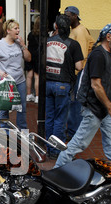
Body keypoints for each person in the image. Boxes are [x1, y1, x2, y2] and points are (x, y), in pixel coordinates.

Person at [54, 23, 111, 186]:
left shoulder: (107, 53)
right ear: (109, 37)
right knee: (78, 143)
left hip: (104, 110)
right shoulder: (98, 55)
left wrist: (108, 108)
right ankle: (56, 172)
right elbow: (96, 85)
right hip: (95, 110)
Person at [45, 15, 83, 159]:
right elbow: (79, 66)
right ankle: (55, 150)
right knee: (60, 119)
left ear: (56, 26)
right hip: (63, 85)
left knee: (49, 117)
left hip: (47, 83)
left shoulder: (47, 41)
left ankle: (48, 147)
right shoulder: (73, 44)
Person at [0, 19, 31, 130]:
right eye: (15, 28)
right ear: (8, 30)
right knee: (4, 110)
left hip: (20, 81)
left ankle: (23, 132)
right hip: (5, 82)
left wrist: (23, 45)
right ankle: (4, 133)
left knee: (22, 108)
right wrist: (0, 72)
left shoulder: (18, 43)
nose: (18, 30)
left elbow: (28, 58)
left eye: (18, 28)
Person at [64, 6, 94, 139]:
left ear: (75, 16)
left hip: (78, 72)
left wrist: (75, 74)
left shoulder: (80, 31)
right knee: (73, 101)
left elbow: (80, 57)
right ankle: (72, 129)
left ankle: (73, 132)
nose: (66, 17)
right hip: (74, 72)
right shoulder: (73, 30)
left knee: (75, 101)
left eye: (68, 15)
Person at [25, 15, 40, 104]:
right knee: (37, 77)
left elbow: (29, 44)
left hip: (30, 55)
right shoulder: (44, 34)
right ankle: (37, 96)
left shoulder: (30, 34)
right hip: (38, 56)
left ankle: (28, 94)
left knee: (29, 76)